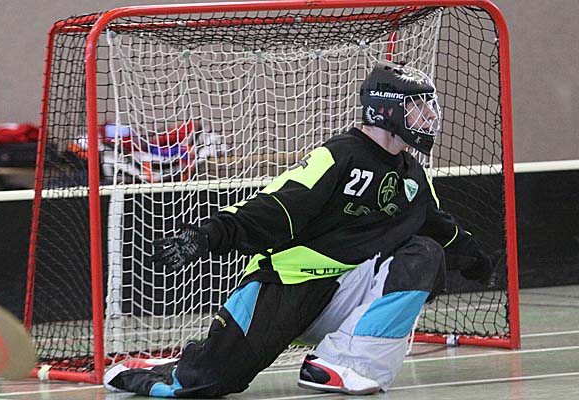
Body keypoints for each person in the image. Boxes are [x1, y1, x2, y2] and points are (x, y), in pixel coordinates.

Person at [104, 61, 495, 397]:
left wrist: (478, 259)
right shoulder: (338, 155)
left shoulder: (413, 176)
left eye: (428, 106)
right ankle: (152, 370)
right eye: (417, 106)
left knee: (424, 254)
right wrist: (208, 235)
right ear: (385, 111)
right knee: (205, 383)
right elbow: (272, 205)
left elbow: (440, 229)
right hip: (290, 286)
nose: (428, 117)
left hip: (348, 294)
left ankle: (341, 364)